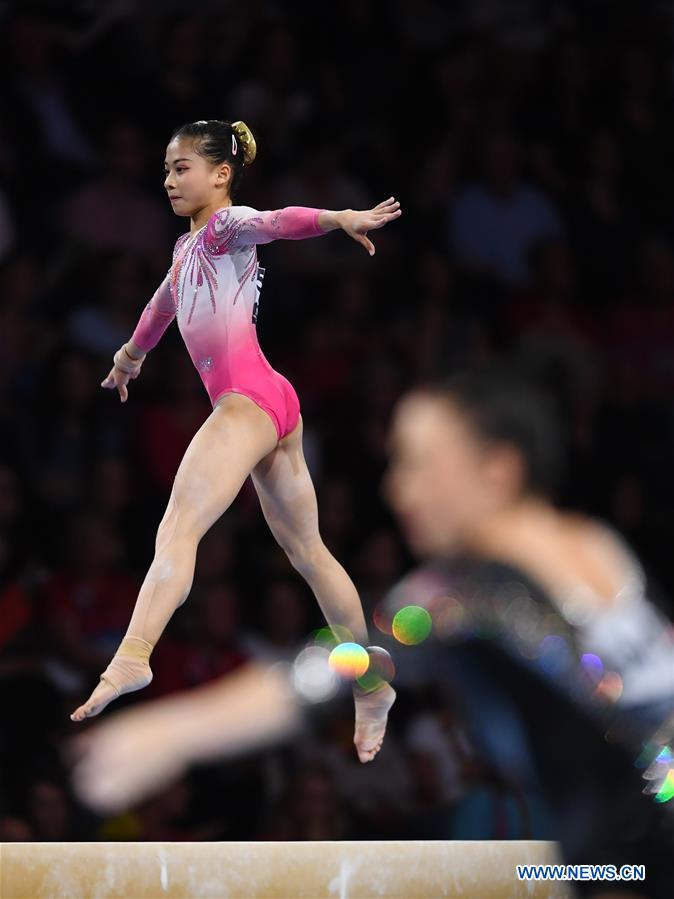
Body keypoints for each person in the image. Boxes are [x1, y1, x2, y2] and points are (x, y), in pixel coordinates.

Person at [69, 119, 399, 764]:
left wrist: (336, 219)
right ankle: (370, 683)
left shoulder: (224, 227)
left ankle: (133, 656)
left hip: (246, 403)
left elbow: (275, 222)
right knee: (307, 550)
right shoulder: (187, 247)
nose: (169, 179)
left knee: (177, 531)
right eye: (165, 169)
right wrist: (132, 356)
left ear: (220, 174)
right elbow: (164, 302)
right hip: (273, 400)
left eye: (182, 167)